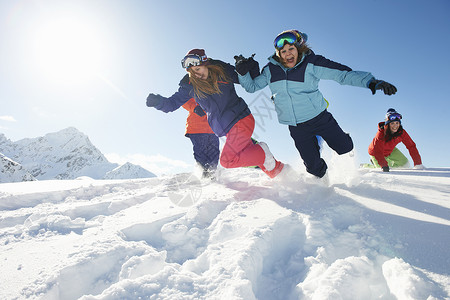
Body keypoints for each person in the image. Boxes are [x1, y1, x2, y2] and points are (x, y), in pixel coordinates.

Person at [235, 29, 397, 179]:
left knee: (344, 148)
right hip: (296, 125)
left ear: (299, 48)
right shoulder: (271, 70)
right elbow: (252, 87)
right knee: (312, 168)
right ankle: (324, 185)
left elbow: (342, 75)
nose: (287, 54)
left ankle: (342, 139)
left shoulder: (311, 63)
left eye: (291, 49)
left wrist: (371, 82)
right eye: (283, 51)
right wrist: (242, 73)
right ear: (278, 54)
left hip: (319, 118)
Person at [146, 49, 284, 178]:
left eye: (198, 69)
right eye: (192, 72)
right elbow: (172, 103)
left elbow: (248, 80)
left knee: (227, 160)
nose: (196, 74)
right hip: (225, 128)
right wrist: (158, 102)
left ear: (206, 63)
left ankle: (263, 152)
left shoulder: (222, 71)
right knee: (246, 152)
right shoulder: (190, 85)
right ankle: (279, 173)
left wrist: (249, 67)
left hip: (241, 119)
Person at [181, 98, 220, 178]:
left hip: (214, 129)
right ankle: (205, 176)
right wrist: (195, 107)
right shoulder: (192, 86)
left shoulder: (217, 87)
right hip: (197, 128)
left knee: (214, 155)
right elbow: (182, 99)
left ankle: (212, 177)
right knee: (202, 154)